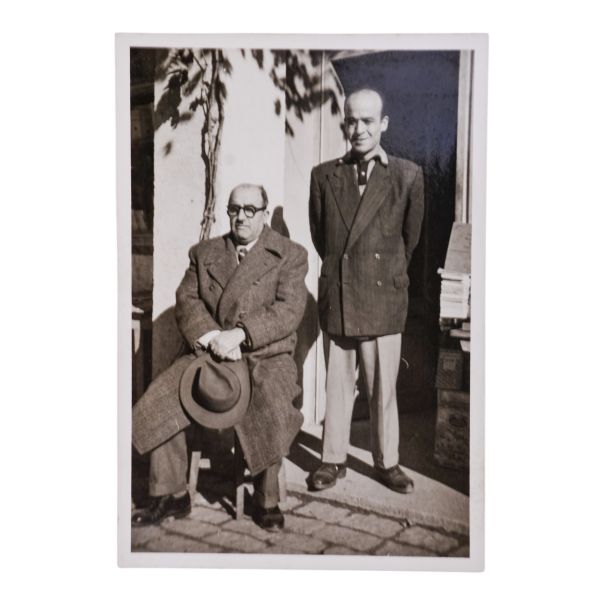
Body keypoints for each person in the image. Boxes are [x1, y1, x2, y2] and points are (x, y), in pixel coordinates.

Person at [132, 183, 308, 530]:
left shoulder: (289, 254)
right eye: (234, 209)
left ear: (264, 213)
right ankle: (170, 494)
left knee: (271, 398)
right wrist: (213, 338)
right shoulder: (204, 253)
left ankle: (266, 498)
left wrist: (240, 334)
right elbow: (187, 300)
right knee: (165, 393)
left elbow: (288, 310)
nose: (241, 217)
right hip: (210, 352)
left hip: (265, 355)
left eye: (250, 210)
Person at [308, 88, 424, 494]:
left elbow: (409, 242)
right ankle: (332, 460)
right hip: (340, 295)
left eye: (368, 121)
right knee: (337, 387)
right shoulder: (323, 176)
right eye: (351, 121)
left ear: (383, 124)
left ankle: (387, 462)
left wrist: (383, 272)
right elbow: (322, 238)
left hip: (383, 298)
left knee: (382, 390)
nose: (358, 129)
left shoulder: (407, 175)